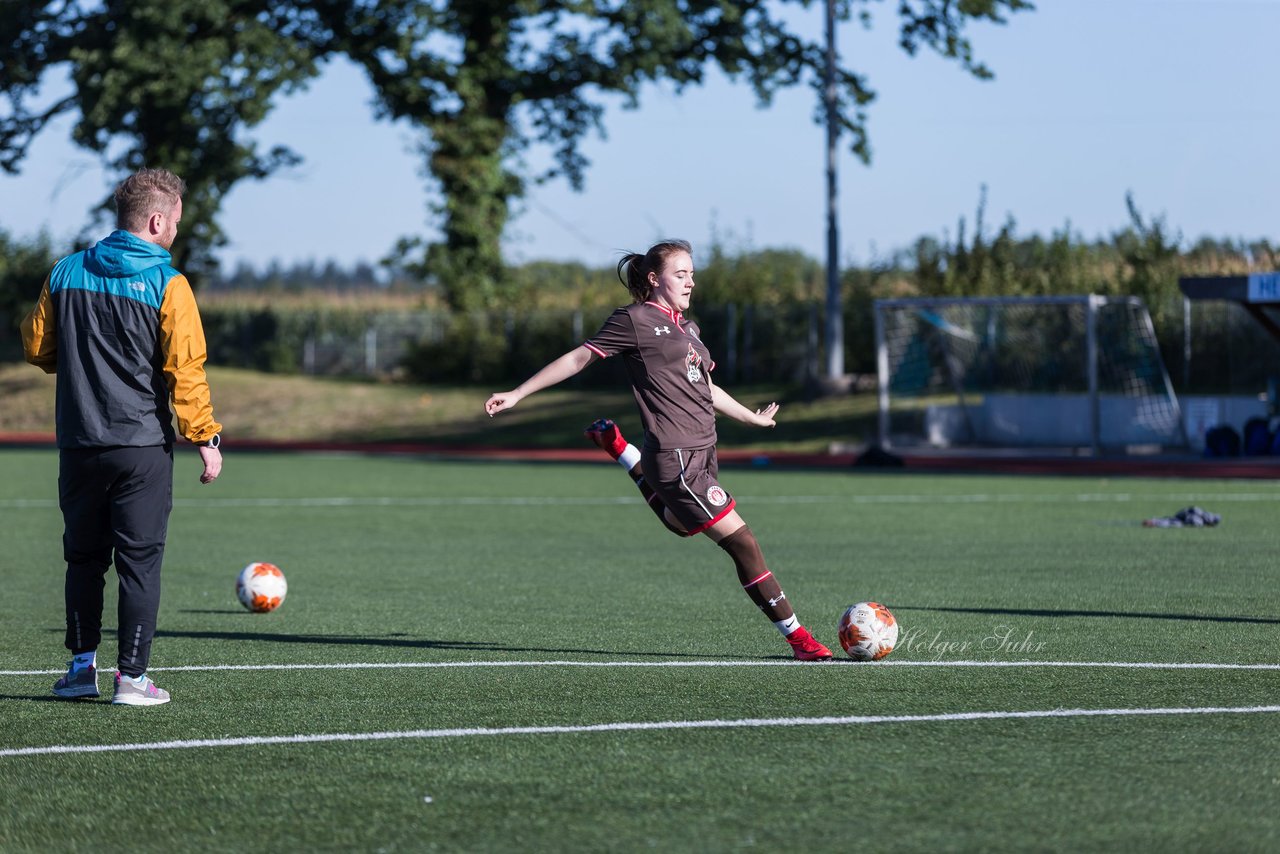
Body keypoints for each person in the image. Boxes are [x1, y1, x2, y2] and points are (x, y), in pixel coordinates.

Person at [485, 239, 832, 660]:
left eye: (692, 274)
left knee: (682, 524)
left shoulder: (689, 327)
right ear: (654, 279)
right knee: (743, 542)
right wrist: (519, 393)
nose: (690, 282)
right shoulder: (634, 320)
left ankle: (619, 448)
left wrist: (750, 417)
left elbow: (704, 387)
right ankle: (800, 640)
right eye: (680, 274)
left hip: (703, 452)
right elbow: (579, 358)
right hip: (676, 457)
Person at [21, 167, 223, 706]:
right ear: (157, 220)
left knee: (83, 559)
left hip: (80, 443)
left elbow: (37, 347)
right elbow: (187, 368)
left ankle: (81, 669)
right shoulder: (168, 283)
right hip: (140, 448)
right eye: (176, 221)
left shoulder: (65, 271)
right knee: (140, 562)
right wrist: (205, 436)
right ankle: (132, 679)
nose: (176, 232)